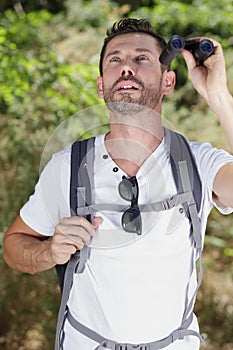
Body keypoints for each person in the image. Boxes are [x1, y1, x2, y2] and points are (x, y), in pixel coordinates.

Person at [3, 18, 233, 350]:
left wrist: (219, 97)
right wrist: (48, 251)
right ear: (101, 86)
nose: (126, 67)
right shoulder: (67, 167)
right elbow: (13, 248)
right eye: (115, 59)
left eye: (142, 58)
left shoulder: (198, 163)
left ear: (168, 81)